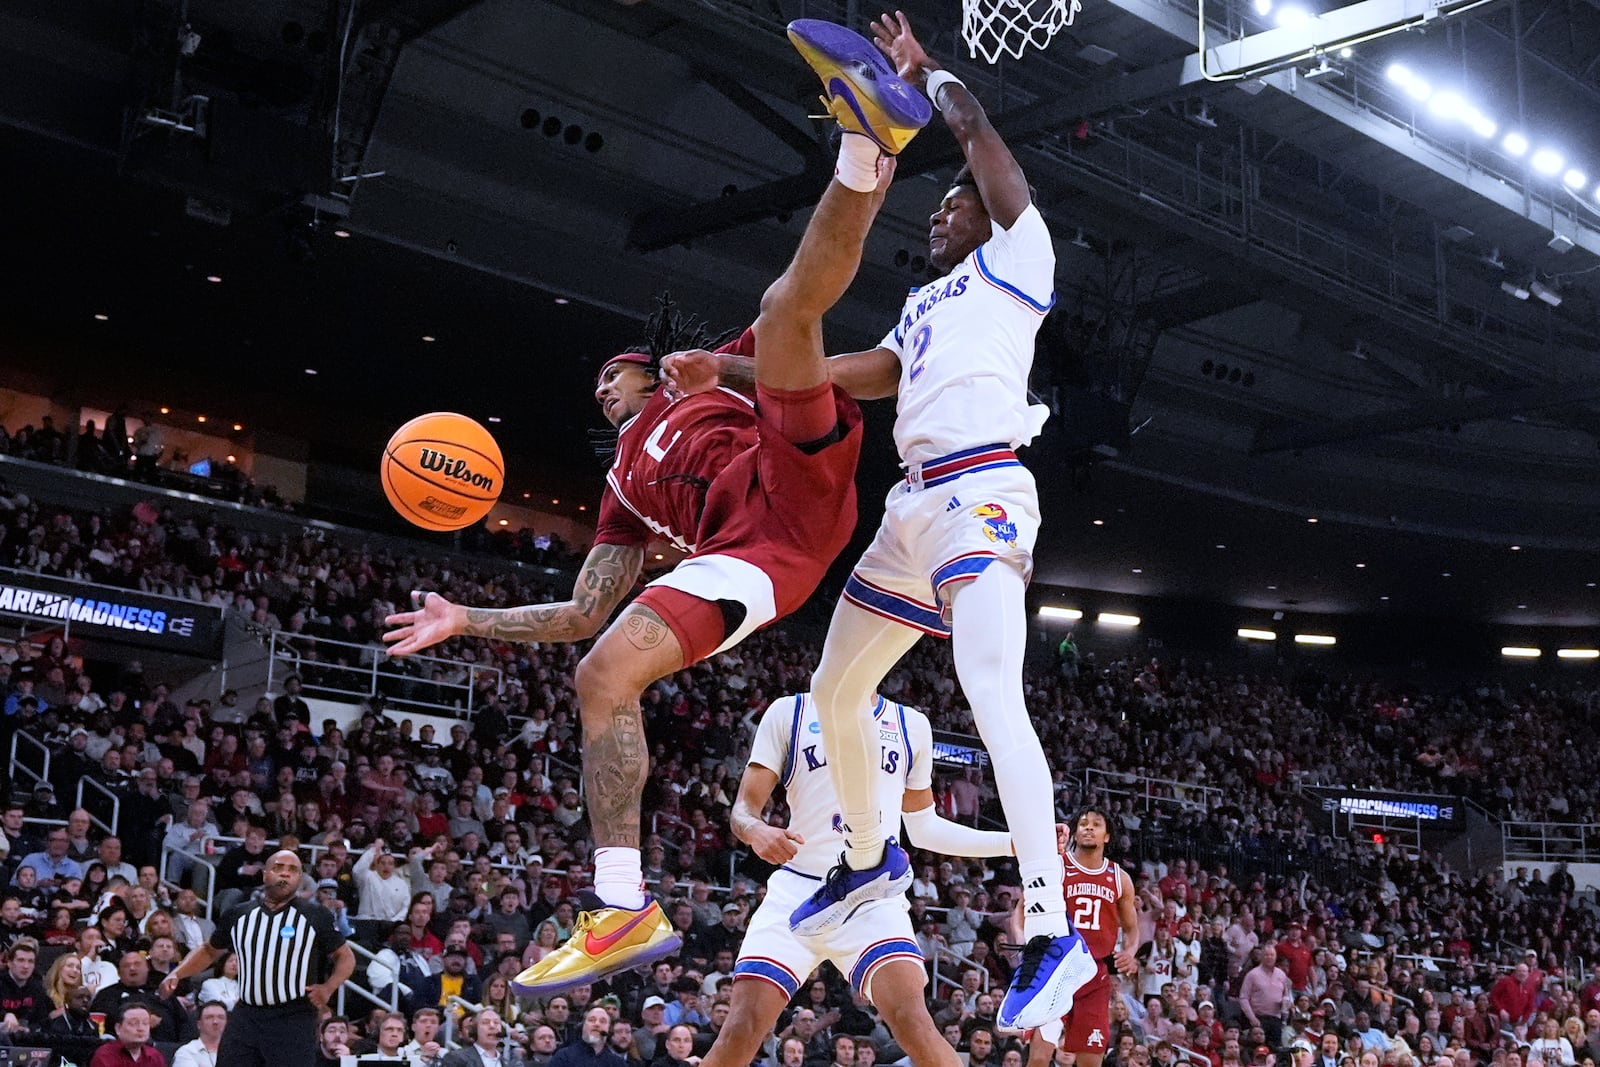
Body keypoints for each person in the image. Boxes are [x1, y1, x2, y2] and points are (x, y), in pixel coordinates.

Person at [382, 16, 923, 995]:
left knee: (781, 312)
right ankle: (622, 902)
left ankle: (869, 137)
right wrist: (469, 619)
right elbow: (585, 607)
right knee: (600, 671)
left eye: (613, 376)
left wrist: (723, 366)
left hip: (790, 469)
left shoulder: (699, 378)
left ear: (648, 368)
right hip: (758, 553)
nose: (603, 390)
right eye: (594, 391)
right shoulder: (625, 485)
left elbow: (879, 370)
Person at [687, 11, 1085, 1031]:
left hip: (983, 488)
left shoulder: (1017, 259)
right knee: (833, 689)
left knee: (991, 690)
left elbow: (983, 143)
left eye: (946, 212)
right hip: (911, 503)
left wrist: (930, 77)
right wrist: (721, 367)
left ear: (980, 214)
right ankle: (865, 861)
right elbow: (836, 373)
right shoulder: (921, 308)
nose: (933, 223)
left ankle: (1050, 928)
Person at [698, 690, 1014, 1067]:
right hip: (800, 887)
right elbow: (743, 810)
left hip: (871, 893)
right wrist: (756, 831)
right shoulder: (790, 711)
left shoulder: (910, 723)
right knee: (741, 1028)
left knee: (913, 1022)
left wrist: (1014, 842)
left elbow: (924, 827)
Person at [161, 849, 355, 1067]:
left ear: (300, 879)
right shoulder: (239, 913)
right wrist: (177, 973)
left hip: (293, 1016)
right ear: (265, 875)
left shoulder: (315, 915)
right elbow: (209, 950)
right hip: (247, 1013)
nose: (285, 874)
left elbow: (346, 957)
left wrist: (328, 988)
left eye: (292, 870)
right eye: (278, 868)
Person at [1026, 807, 1140, 1067]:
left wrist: (1130, 952)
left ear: (1107, 836)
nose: (1088, 827)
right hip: (1053, 970)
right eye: (1083, 823)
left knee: (1091, 1061)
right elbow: (1021, 909)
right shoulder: (1057, 867)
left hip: (1093, 974)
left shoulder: (1120, 878)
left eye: (1096, 824)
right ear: (1075, 832)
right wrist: (1026, 943)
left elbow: (1132, 928)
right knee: (1039, 1058)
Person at [90, 1002, 167, 1067]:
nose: (141, 1028)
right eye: (133, 1023)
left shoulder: (155, 1056)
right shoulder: (105, 1055)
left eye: (145, 1023)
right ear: (118, 1028)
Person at [443, 1007, 525, 1067]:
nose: (492, 1026)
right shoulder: (456, 1058)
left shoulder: (509, 1064)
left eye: (496, 1023)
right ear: (475, 1030)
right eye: (485, 1022)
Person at [172, 1000, 228, 1067]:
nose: (215, 1021)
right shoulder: (186, 1052)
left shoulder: (237, 1052)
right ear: (199, 1024)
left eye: (221, 1017)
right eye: (209, 1017)